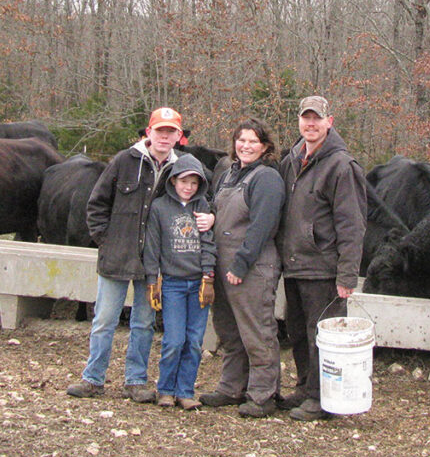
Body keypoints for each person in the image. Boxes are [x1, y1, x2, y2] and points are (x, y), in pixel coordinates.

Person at [66, 107, 207, 402]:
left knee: (143, 323)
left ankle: (136, 380)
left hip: (153, 262)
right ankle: (93, 378)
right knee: (105, 319)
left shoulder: (179, 169)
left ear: (179, 136)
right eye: (160, 131)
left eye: (171, 132)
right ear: (148, 132)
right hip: (117, 256)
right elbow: (96, 204)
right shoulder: (124, 161)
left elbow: (198, 202)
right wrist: (107, 240)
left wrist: (212, 219)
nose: (164, 137)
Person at [277, 96, 367, 421]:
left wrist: (346, 276)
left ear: (330, 121)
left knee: (322, 336)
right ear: (299, 121)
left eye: (317, 119)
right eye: (305, 118)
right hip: (295, 265)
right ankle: (304, 386)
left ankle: (321, 397)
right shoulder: (292, 160)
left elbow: (352, 225)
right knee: (298, 331)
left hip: (324, 270)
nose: (310, 124)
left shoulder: (341, 166)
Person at [198, 118, 286, 418]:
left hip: (251, 266)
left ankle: (263, 393)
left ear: (265, 147)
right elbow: (217, 207)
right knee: (229, 330)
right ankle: (231, 386)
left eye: (253, 141)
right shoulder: (229, 174)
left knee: (256, 330)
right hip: (223, 263)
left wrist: (242, 263)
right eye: (241, 140)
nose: (246, 146)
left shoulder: (267, 179)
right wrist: (210, 217)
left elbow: (263, 225)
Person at [142, 154, 217, 410]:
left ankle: (185, 390)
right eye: (184, 181)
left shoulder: (203, 207)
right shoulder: (160, 208)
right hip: (172, 283)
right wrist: (153, 280)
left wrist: (208, 276)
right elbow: (152, 247)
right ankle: (165, 388)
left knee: (194, 340)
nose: (189, 187)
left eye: (195, 183)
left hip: (198, 284)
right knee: (173, 340)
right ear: (174, 181)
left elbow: (209, 243)